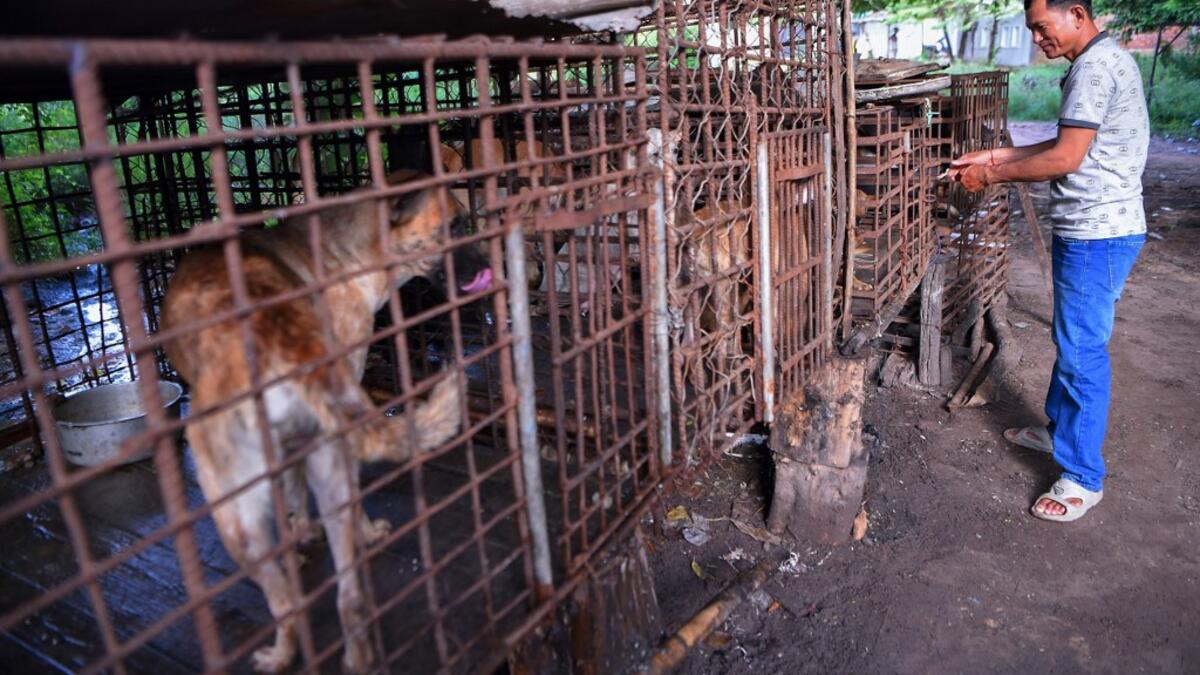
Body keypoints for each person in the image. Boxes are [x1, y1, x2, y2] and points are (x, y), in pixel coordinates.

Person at [948, 0, 1148, 523]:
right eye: (1033, 30)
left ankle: (1083, 476)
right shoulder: (1101, 62)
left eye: (1042, 27)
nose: (1038, 38)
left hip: (1097, 234)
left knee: (1082, 350)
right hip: (1095, 228)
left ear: (1076, 14)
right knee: (1072, 337)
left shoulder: (1094, 68)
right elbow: (1070, 145)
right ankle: (1059, 432)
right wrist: (993, 157)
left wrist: (991, 177)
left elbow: (1064, 159)